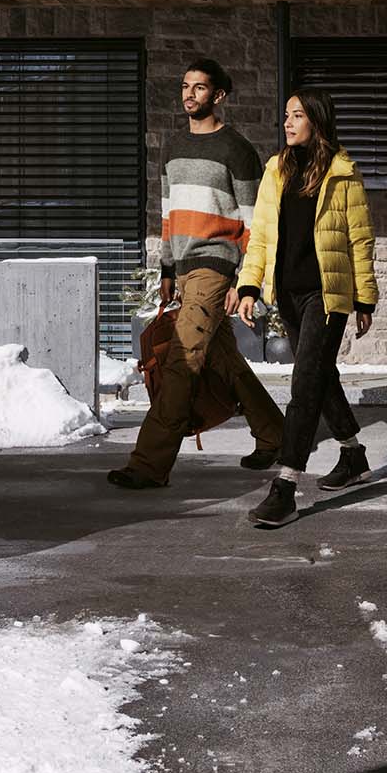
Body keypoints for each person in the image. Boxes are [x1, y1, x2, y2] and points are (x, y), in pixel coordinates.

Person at [105, 58, 287, 489]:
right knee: (224, 359)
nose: (189, 94)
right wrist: (166, 267)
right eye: (185, 86)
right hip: (184, 269)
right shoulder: (172, 147)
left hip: (216, 264)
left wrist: (245, 280)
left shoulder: (237, 150)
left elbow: (255, 220)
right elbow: (167, 214)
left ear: (218, 96)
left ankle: (149, 465)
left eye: (199, 88)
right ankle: (277, 433)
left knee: (181, 362)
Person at [233, 87, 378, 528]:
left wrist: (365, 298)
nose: (288, 122)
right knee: (320, 374)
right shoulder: (276, 169)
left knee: (304, 384)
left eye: (297, 115)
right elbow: (259, 235)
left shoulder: (343, 173)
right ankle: (353, 454)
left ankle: (286, 485)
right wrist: (249, 286)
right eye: (285, 115)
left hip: (327, 295)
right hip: (289, 294)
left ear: (316, 119)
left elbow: (359, 239)